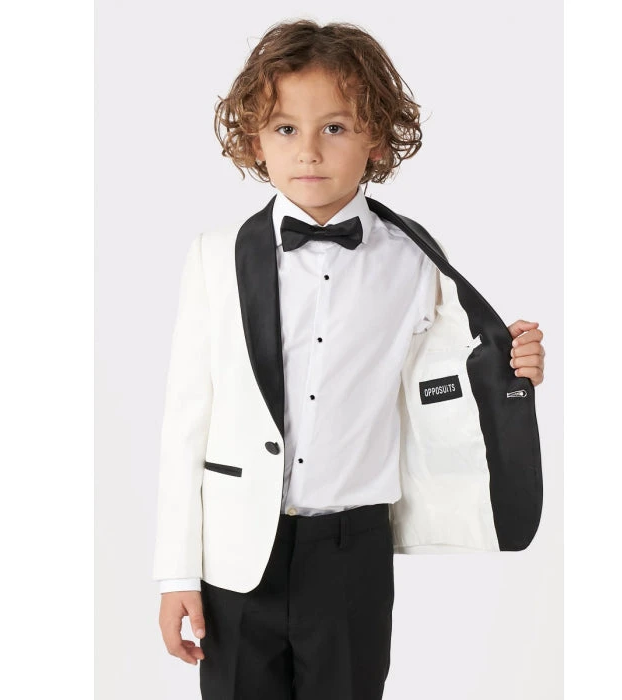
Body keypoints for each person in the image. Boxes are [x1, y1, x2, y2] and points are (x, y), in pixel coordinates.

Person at [152, 18, 546, 700]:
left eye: (334, 127)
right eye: (285, 129)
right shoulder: (214, 256)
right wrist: (176, 572)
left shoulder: (413, 261)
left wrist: (515, 367)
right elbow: (186, 421)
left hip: (351, 554)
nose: (308, 151)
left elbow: (453, 372)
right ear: (255, 141)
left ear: (376, 139)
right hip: (235, 558)